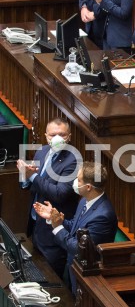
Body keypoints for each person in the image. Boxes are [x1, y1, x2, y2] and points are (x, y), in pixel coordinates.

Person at [34, 161, 118, 293]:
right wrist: (53, 217)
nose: (74, 183)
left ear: (88, 187)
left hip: (87, 280)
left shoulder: (103, 216)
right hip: (73, 268)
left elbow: (79, 248)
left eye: (78, 180)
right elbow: (74, 227)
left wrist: (57, 228)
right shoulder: (85, 200)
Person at [17, 117, 79, 279]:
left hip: (53, 232)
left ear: (69, 136)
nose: (57, 138)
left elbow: (59, 194)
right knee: (34, 272)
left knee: (51, 278)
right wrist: (25, 176)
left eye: (62, 134)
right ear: (46, 136)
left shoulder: (73, 161)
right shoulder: (42, 151)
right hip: (36, 224)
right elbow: (34, 184)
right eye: (53, 135)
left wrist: (33, 176)